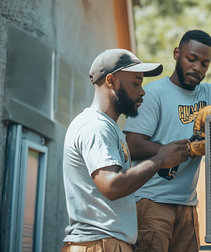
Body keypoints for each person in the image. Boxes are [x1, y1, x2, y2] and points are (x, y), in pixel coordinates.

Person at [124, 30, 211, 252]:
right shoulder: (153, 93)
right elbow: (134, 146)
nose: (197, 68)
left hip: (188, 205)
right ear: (177, 54)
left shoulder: (210, 93)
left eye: (205, 63)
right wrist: (186, 150)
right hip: (151, 202)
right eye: (191, 59)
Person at [61, 49, 190, 252]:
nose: (142, 91)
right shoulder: (96, 126)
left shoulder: (109, 128)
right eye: (136, 83)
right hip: (99, 244)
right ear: (111, 81)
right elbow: (112, 186)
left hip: (106, 243)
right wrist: (159, 160)